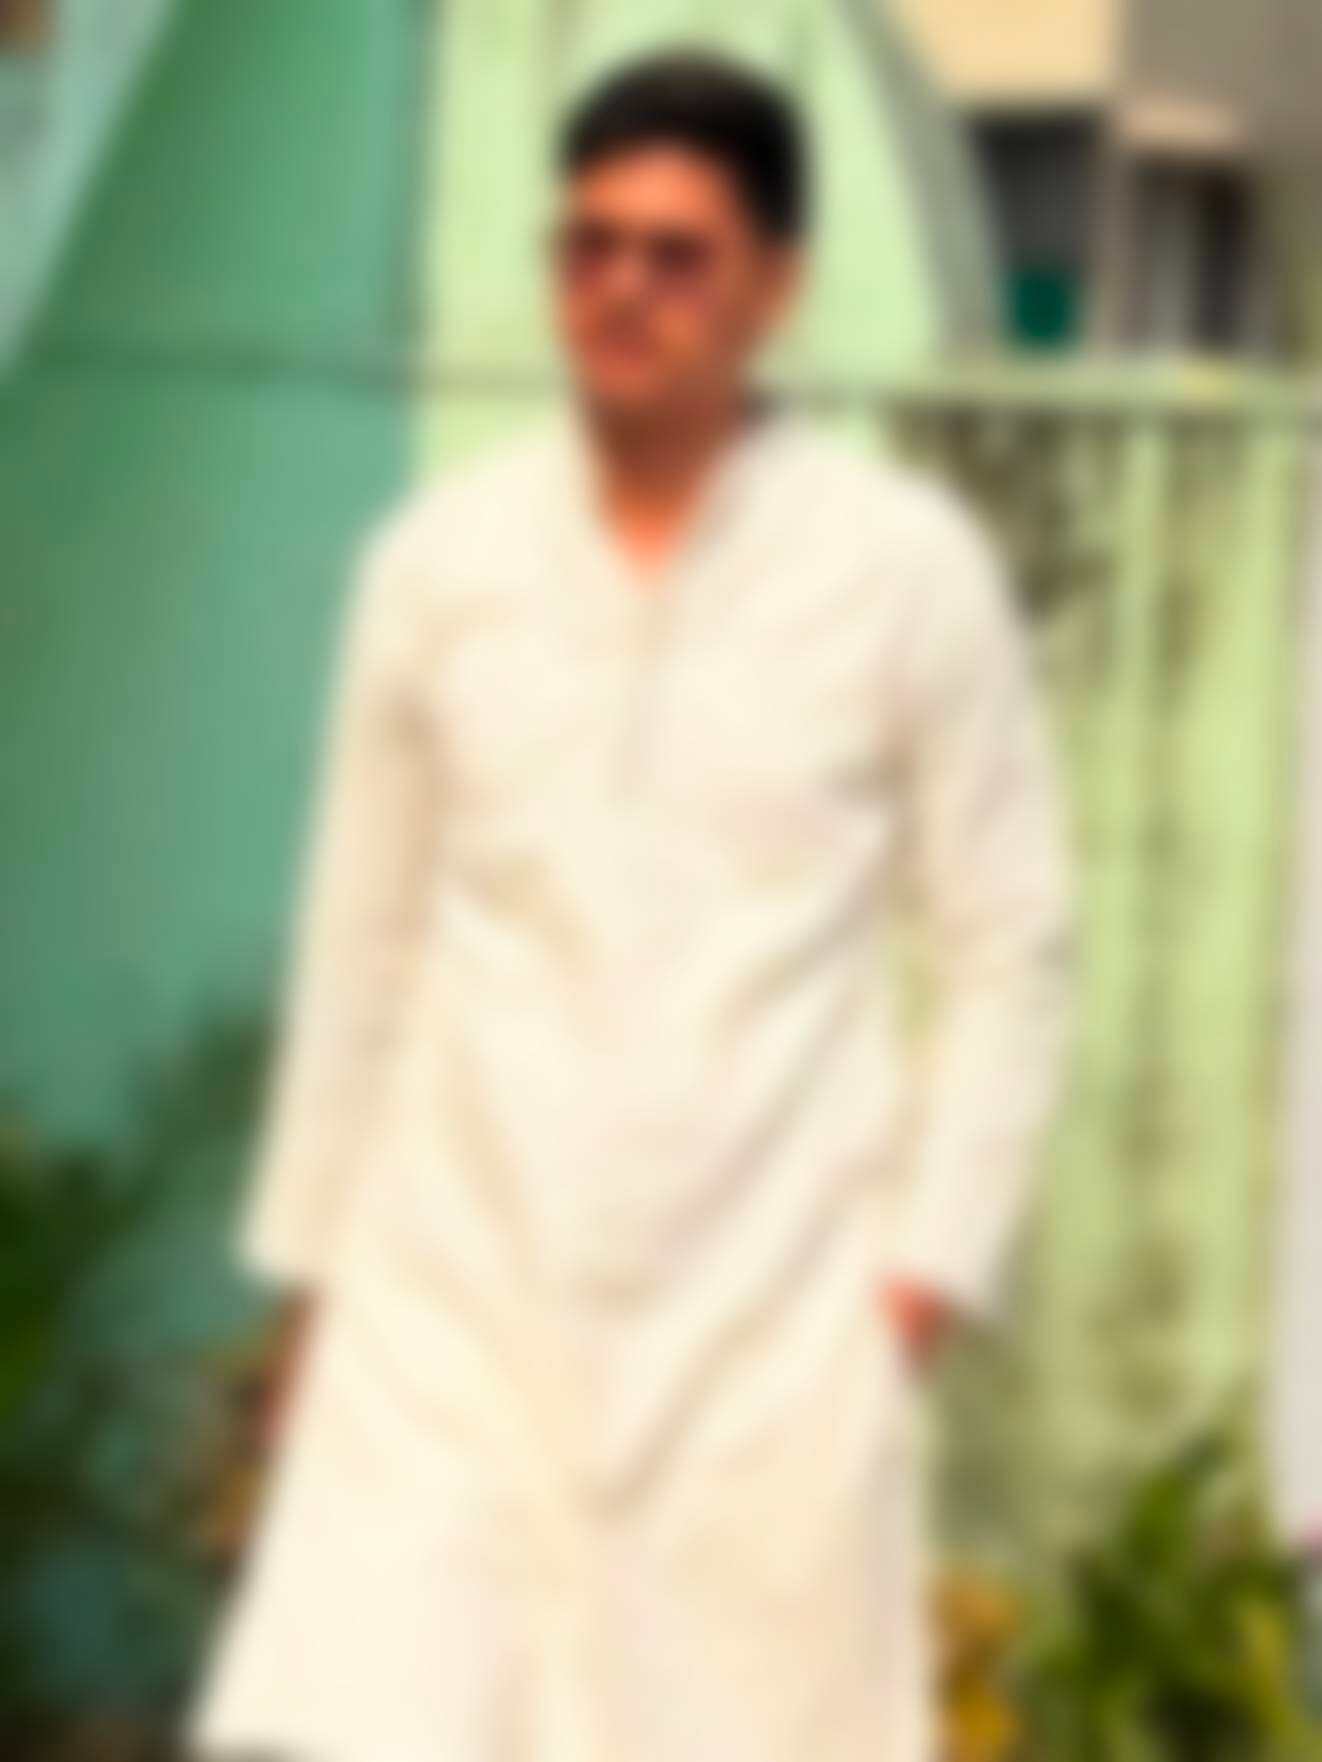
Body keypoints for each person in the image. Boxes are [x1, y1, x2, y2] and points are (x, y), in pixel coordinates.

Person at [189, 50, 1072, 1762]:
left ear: (774, 288)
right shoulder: (439, 567)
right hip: (450, 1316)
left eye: (677, 255)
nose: (621, 289)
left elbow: (1008, 945)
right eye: (588, 245)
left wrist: (920, 1283)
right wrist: (312, 1291)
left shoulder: (898, 571)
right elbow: (360, 945)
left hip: (763, 1334)